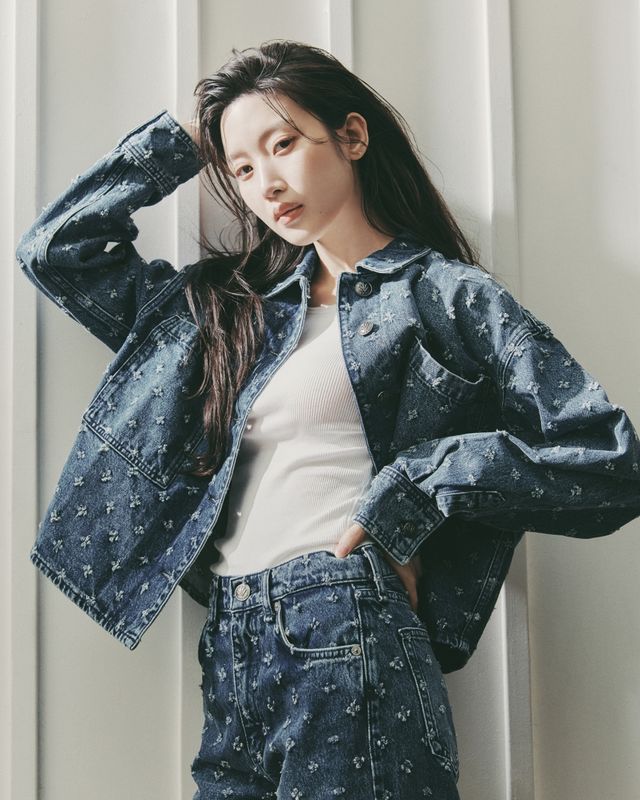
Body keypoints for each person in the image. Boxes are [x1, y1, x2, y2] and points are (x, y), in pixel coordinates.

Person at [14, 39, 640, 799]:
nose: (267, 184)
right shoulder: (223, 313)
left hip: (345, 618)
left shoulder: (445, 295)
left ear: (352, 136)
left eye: (283, 145)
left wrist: (419, 486)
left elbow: (608, 461)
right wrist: (187, 136)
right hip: (231, 642)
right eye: (242, 169)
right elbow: (57, 250)